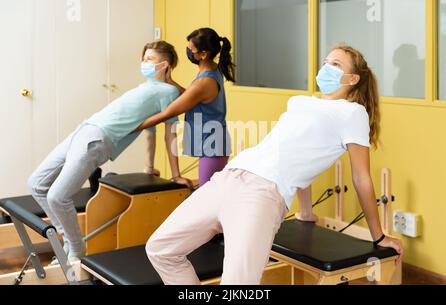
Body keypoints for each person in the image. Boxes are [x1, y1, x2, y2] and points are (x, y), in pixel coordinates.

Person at [145, 44, 404, 285]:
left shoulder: (352, 113)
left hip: (261, 193)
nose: (326, 67)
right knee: (160, 249)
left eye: (335, 64)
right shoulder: (300, 102)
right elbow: (294, 151)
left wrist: (378, 235)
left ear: (353, 79)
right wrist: (305, 212)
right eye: (326, 61)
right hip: (228, 177)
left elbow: (361, 177)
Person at [27, 40, 192, 263]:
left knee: (57, 197)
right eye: (143, 58)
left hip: (97, 138)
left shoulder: (168, 91)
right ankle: (69, 240)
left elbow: (169, 133)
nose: (144, 63)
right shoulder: (147, 87)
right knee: (36, 183)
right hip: (83, 129)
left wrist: (176, 174)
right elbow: (149, 132)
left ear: (165, 64)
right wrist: (149, 165)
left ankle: (76, 250)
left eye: (150, 59)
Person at [134, 28, 235, 187]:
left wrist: (135, 126)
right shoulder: (211, 70)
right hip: (214, 141)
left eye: (191, 49)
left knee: (206, 196)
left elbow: (168, 113)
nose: (188, 51)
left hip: (213, 146)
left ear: (203, 54)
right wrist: (171, 82)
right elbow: (192, 96)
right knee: (207, 192)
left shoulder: (204, 82)